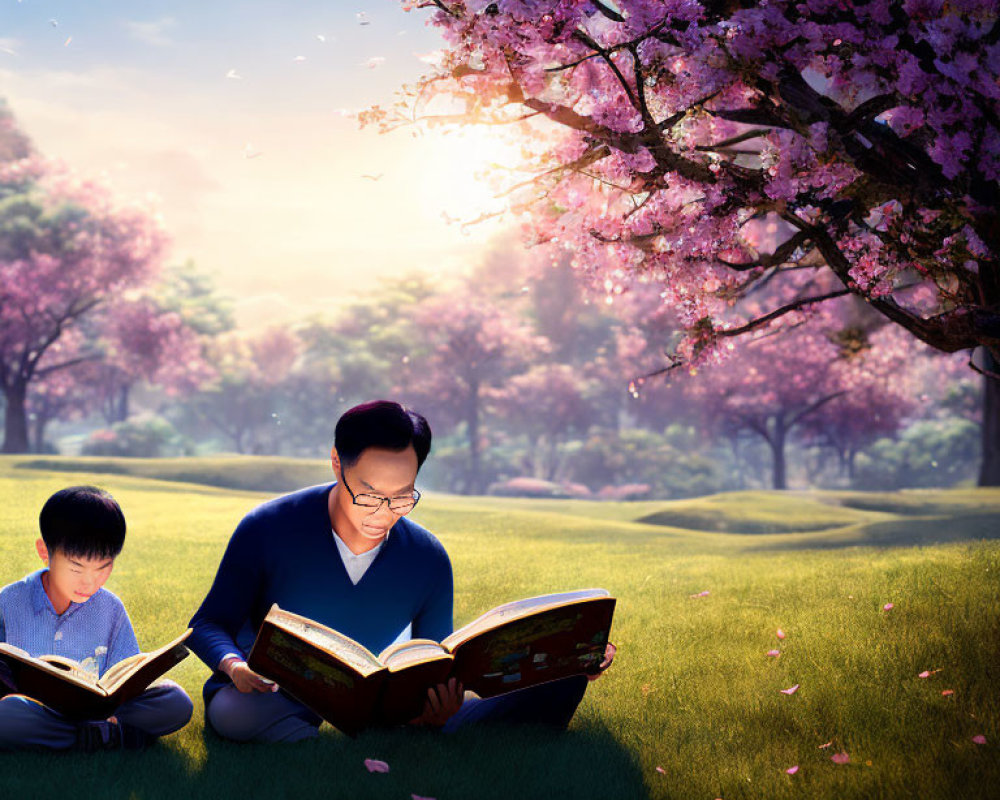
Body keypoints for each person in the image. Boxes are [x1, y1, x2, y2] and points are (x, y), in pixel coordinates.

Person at [188, 399, 614, 743]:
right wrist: (234, 667)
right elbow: (208, 622)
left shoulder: (427, 556)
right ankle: (352, 735)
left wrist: (437, 702)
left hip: (382, 703)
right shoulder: (268, 527)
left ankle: (371, 734)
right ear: (338, 463)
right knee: (231, 714)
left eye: (402, 497)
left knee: (560, 679)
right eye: (369, 496)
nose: (383, 514)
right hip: (273, 693)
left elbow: (434, 658)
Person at [0, 486, 193, 751]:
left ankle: (82, 735)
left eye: (103, 567)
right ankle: (107, 736)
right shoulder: (8, 601)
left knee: (175, 701)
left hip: (99, 711)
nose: (90, 582)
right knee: (8, 714)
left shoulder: (110, 607)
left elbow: (125, 677)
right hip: (36, 711)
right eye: (76, 568)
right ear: (45, 551)